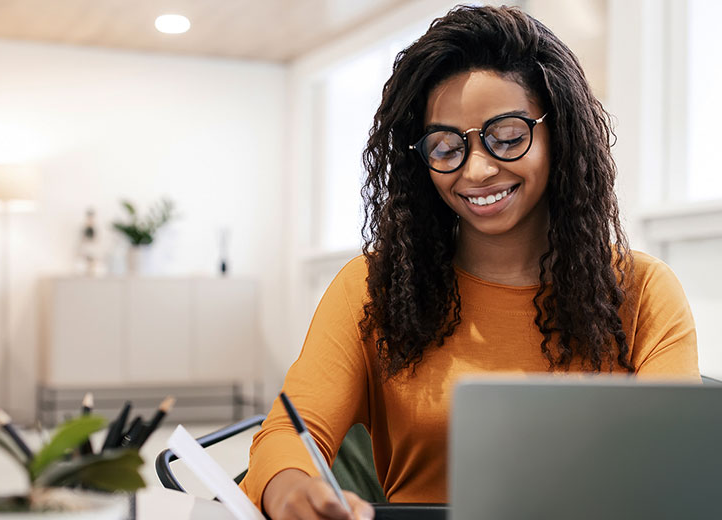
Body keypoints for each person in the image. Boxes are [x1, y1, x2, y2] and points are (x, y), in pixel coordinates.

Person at [238, 5, 700, 520]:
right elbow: (290, 431)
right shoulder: (374, 287)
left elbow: (672, 466)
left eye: (507, 136)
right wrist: (291, 490)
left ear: (559, 134)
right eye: (444, 147)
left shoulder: (643, 291)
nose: (476, 170)